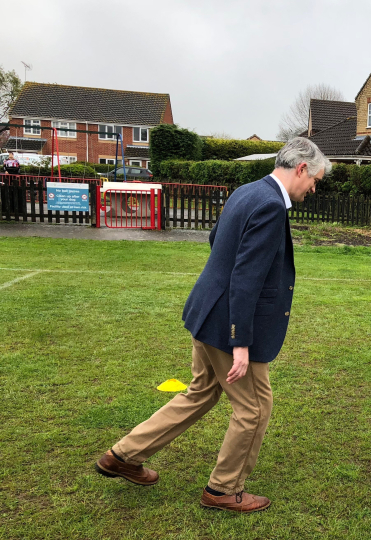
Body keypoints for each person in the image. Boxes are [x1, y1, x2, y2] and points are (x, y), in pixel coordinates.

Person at [94, 138, 331, 513]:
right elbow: (247, 276)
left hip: (205, 311)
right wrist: (239, 341)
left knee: (201, 393)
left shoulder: (248, 191)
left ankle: (122, 456)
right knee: (253, 408)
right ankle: (223, 490)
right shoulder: (270, 205)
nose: (314, 187)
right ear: (301, 168)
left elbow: (216, 240)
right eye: (315, 179)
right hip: (227, 325)